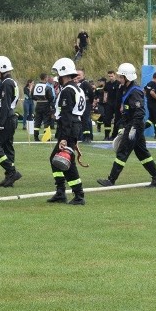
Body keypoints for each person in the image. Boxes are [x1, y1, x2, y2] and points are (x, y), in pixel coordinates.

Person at [97, 63, 156, 188]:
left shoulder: (135, 92)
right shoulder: (125, 89)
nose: (119, 79)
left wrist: (133, 128)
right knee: (142, 153)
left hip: (135, 125)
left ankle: (111, 180)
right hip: (131, 125)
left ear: (127, 77)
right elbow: (126, 111)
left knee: (122, 152)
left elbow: (139, 112)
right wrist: (122, 125)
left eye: (121, 77)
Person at [46, 57, 86, 205]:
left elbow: (67, 115)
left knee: (66, 159)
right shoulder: (77, 88)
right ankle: (61, 191)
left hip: (69, 127)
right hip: (74, 125)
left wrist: (64, 137)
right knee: (54, 158)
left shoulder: (68, 90)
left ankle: (78, 194)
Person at [0, 55, 22, 187]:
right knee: (8, 148)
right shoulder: (10, 82)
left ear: (1, 69)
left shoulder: (6, 83)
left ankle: (11, 172)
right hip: (10, 118)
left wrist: (0, 124)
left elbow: (5, 105)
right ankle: (9, 178)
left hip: (7, 119)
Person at [32, 72, 55, 141]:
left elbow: (32, 96)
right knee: (46, 121)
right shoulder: (47, 87)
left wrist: (37, 99)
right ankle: (46, 137)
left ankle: (36, 137)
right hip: (46, 105)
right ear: (45, 78)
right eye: (47, 77)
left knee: (37, 121)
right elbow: (51, 97)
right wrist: (52, 106)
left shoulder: (35, 86)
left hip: (38, 105)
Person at [76, 68, 95, 143]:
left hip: (86, 103)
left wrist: (90, 102)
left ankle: (87, 137)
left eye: (79, 75)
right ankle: (81, 136)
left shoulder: (85, 83)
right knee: (81, 120)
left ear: (83, 75)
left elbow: (91, 94)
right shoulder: (76, 83)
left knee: (85, 119)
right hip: (78, 104)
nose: (77, 76)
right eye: (76, 75)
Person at [102, 70, 121, 140]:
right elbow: (105, 91)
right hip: (109, 103)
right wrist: (105, 98)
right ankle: (106, 135)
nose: (110, 78)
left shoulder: (118, 83)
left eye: (112, 76)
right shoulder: (107, 84)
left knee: (117, 120)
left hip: (117, 104)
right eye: (109, 76)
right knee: (107, 119)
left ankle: (114, 135)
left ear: (115, 75)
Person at [144, 71, 156, 138]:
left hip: (149, 104)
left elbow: (143, 91)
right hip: (155, 105)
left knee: (151, 119)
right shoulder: (154, 84)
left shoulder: (148, 84)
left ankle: (140, 129)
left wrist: (148, 97)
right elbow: (152, 93)